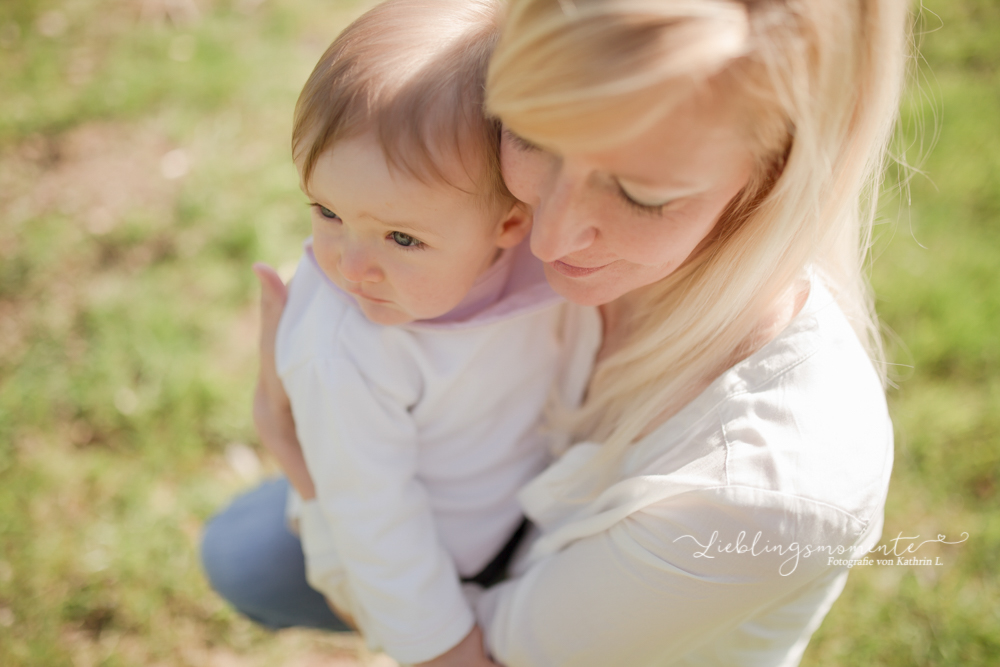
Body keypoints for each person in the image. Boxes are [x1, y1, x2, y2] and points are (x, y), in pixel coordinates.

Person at [202, 0, 910, 664]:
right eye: (531, 135)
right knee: (243, 552)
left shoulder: (766, 494)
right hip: (469, 498)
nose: (547, 236)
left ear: (775, 175)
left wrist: (306, 468)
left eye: (641, 193)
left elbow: (482, 652)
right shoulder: (490, 211)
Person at [229, 0, 595, 663]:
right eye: (327, 210)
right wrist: (446, 647)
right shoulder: (345, 345)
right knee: (246, 555)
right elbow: (375, 524)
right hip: (401, 564)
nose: (351, 265)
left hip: (517, 513)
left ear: (509, 227)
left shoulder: (550, 263)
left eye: (402, 236)